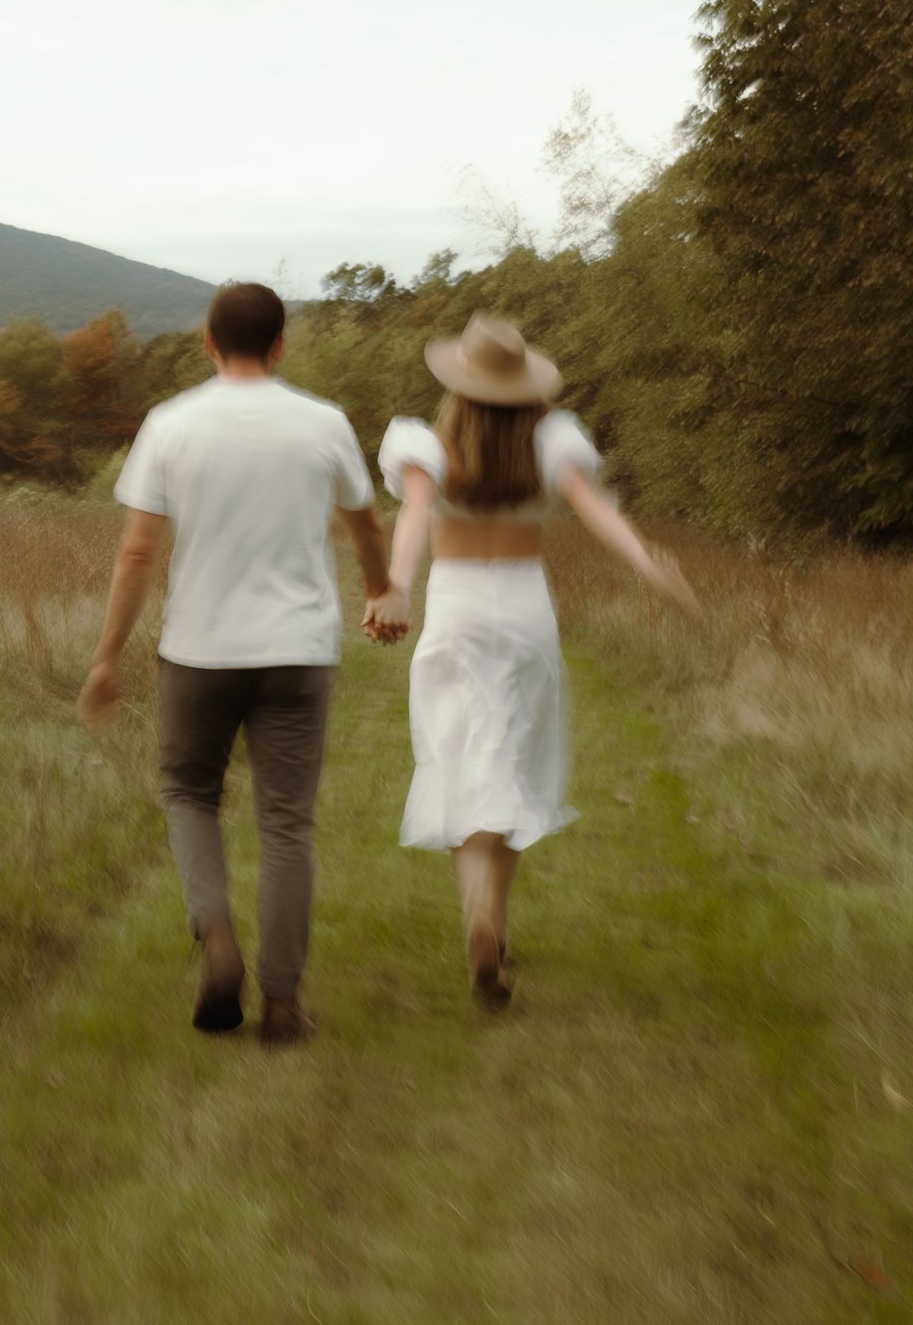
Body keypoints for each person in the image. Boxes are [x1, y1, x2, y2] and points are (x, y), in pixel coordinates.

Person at [79, 281, 399, 1045]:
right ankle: (283, 1003)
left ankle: (217, 940)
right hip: (297, 649)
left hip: (200, 650)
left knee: (190, 794)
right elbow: (363, 524)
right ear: (282, 344)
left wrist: (107, 657)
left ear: (208, 343)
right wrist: (383, 588)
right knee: (287, 822)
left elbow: (137, 550)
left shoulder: (171, 424)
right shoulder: (323, 423)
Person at [362, 314, 697, 1009]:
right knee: (511, 757)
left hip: (456, 608)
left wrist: (395, 585)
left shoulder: (427, 443)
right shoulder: (552, 442)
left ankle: (477, 910)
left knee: (460, 757)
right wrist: (646, 562)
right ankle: (497, 921)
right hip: (522, 612)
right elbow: (590, 506)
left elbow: (415, 514)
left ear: (458, 385)